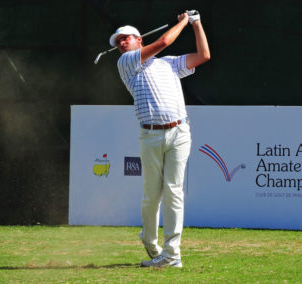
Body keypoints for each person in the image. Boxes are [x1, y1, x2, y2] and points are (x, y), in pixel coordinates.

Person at [109, 10, 210, 268]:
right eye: (118, 41)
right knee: (151, 195)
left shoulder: (169, 64)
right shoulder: (127, 63)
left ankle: (171, 254)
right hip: (150, 134)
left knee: (174, 191)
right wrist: (184, 21)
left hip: (179, 131)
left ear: (139, 39)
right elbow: (164, 42)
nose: (121, 43)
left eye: (126, 38)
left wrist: (197, 24)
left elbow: (203, 56)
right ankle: (151, 242)